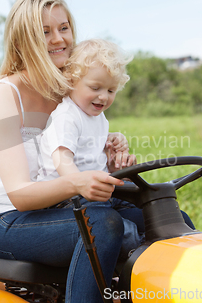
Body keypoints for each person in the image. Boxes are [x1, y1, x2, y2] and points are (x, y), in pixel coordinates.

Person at [0, 0, 132, 302]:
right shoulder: (3, 97)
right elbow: (19, 194)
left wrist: (110, 155)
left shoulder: (68, 91)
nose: (59, 39)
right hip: (8, 221)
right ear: (23, 41)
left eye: (63, 28)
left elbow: (82, 147)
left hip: (61, 209)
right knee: (101, 224)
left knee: (158, 213)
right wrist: (77, 181)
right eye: (45, 32)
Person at [37, 38, 144, 258]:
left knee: (150, 206)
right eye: (95, 88)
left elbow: (96, 157)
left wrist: (115, 158)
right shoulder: (67, 116)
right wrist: (80, 185)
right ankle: (136, 253)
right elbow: (61, 158)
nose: (104, 96)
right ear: (71, 81)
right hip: (66, 199)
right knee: (121, 228)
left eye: (111, 90)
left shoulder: (98, 117)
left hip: (95, 193)